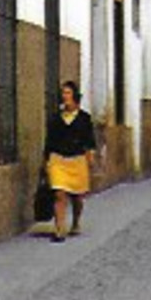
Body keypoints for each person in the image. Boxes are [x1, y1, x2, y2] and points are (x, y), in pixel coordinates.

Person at [44, 80, 97, 242]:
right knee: (59, 194)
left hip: (77, 160)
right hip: (58, 159)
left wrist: (90, 158)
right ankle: (60, 229)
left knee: (78, 198)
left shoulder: (84, 118)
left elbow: (90, 141)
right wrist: (45, 161)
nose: (64, 96)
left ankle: (75, 222)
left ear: (75, 95)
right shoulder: (55, 118)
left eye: (67, 93)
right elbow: (49, 141)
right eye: (63, 93)